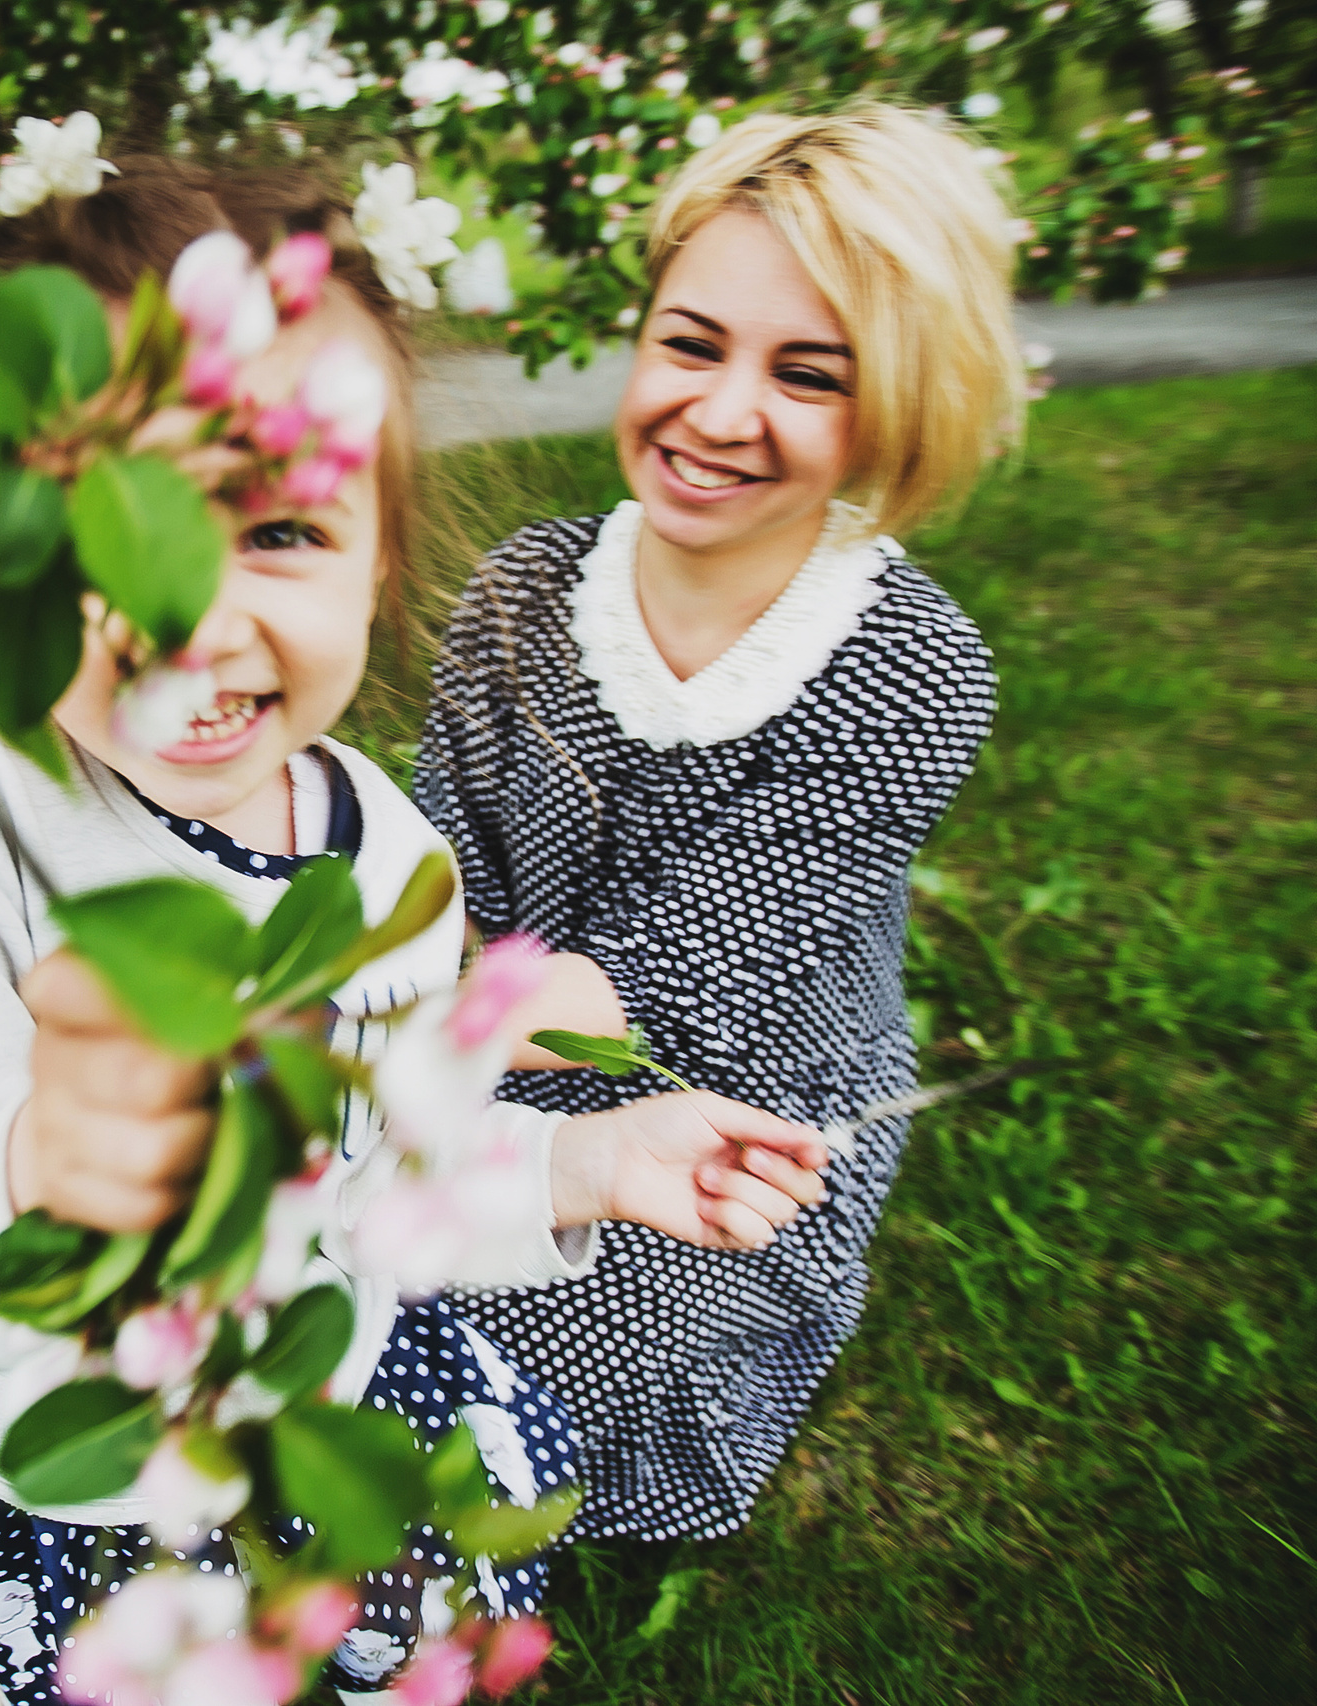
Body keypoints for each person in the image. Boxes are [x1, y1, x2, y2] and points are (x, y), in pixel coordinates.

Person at [0, 159, 832, 1705]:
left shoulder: (389, 860)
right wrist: (30, 1168)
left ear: (379, 564)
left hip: (335, 1385)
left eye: (281, 528)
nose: (198, 620)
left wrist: (582, 1161)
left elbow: (383, 1170)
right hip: (116, 1492)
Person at [414, 103, 1021, 1545]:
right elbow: (439, 883)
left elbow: (673, 983)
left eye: (807, 375)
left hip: (739, 1115)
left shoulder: (913, 669)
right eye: (693, 342)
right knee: (302, 1276)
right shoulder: (520, 593)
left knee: (463, 1375)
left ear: (897, 410)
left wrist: (352, 1042)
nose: (722, 411)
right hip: (494, 1042)